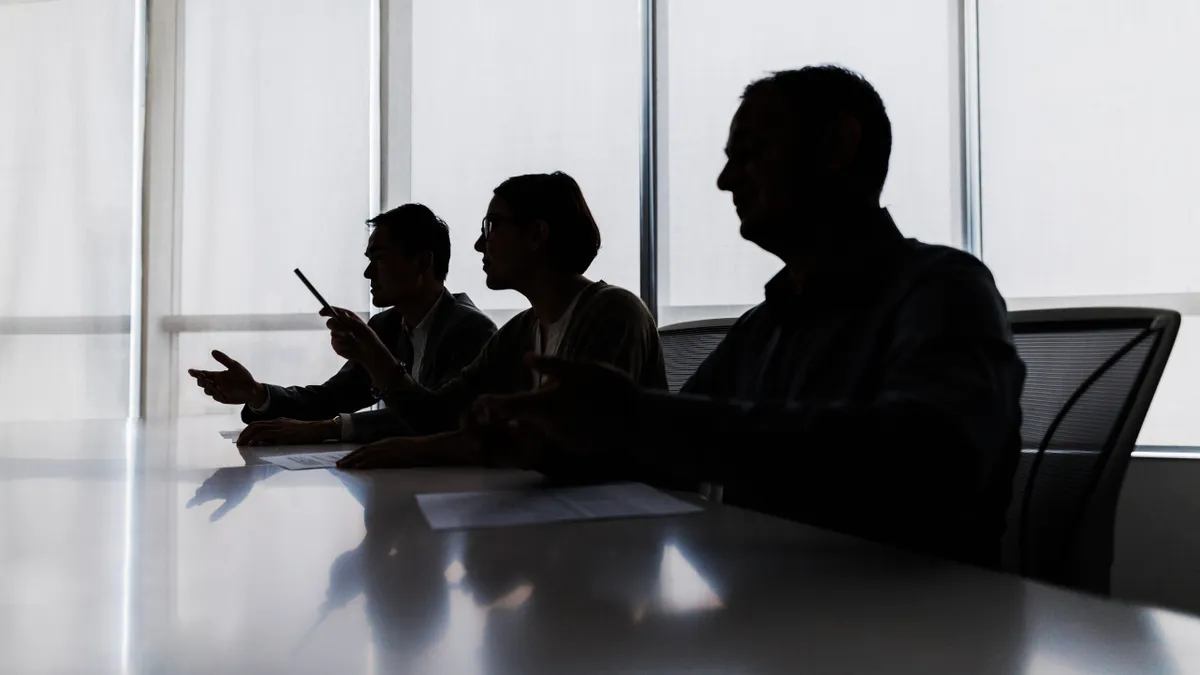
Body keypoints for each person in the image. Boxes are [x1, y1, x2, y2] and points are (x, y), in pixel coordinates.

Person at [470, 66, 1026, 568]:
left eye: (751, 152)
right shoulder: (766, 325)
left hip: (915, 630)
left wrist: (635, 419)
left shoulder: (944, 288)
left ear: (837, 145)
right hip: (778, 616)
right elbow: (671, 448)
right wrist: (557, 446)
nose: (725, 180)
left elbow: (929, 456)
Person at [326, 171, 667, 468]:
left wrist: (423, 449)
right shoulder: (521, 330)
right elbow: (437, 416)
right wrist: (371, 353)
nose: (478, 244)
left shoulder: (615, 313)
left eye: (492, 226)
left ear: (537, 234)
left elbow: (572, 442)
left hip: (625, 525)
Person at [190, 203, 497, 444]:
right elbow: (330, 398)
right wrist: (257, 393)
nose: (367, 273)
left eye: (378, 258)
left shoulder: (471, 331)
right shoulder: (387, 326)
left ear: (422, 262)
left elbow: (434, 417)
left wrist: (329, 429)